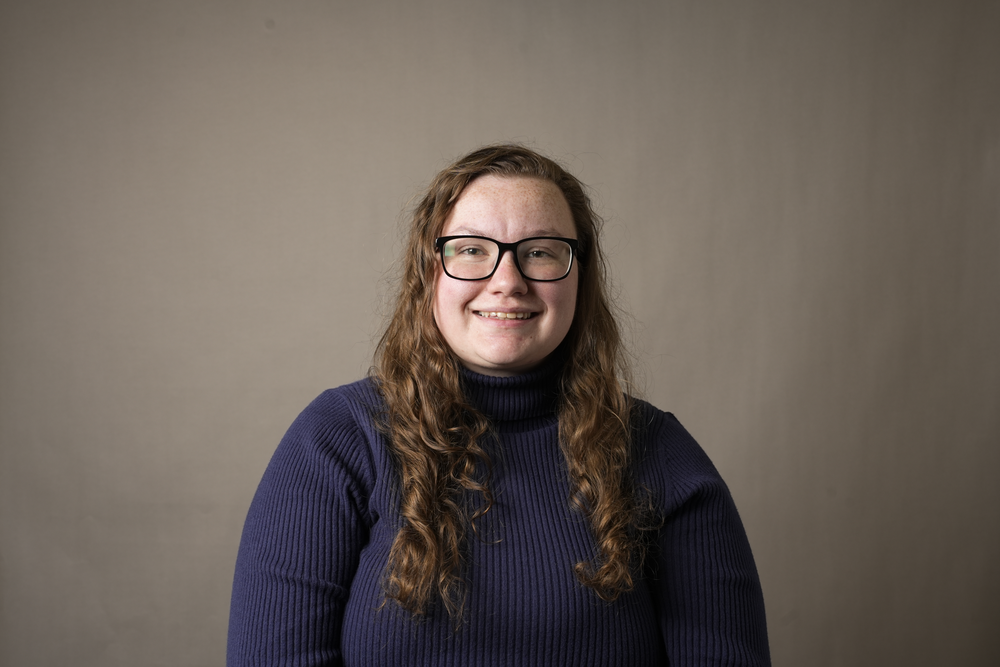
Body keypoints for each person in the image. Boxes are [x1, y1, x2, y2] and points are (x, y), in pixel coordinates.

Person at [227, 145, 771, 666]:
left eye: (540, 252)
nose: (507, 282)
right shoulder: (336, 441)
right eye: (471, 250)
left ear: (580, 275)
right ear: (428, 274)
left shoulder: (658, 452)